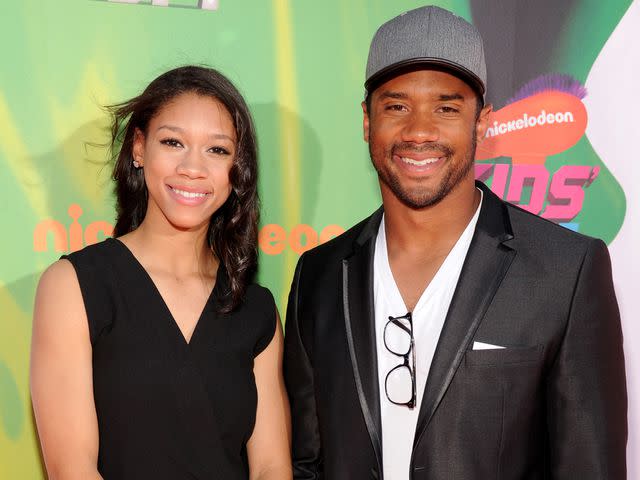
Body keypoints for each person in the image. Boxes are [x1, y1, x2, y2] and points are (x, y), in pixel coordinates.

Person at [283, 6, 627, 480]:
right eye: (396, 106)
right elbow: (305, 462)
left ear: (482, 123)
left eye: (446, 107)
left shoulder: (565, 270)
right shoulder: (318, 275)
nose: (419, 131)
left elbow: (589, 468)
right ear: (367, 121)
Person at [31, 65, 292, 480]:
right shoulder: (75, 286)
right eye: (173, 142)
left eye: (217, 150)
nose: (193, 167)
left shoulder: (256, 309)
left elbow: (272, 468)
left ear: (236, 170)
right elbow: (72, 469)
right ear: (139, 148)